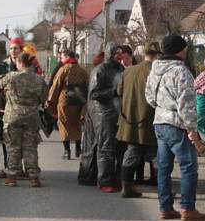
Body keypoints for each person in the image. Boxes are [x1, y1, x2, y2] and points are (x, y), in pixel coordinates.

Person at [145, 34, 205, 221]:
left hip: (159, 121)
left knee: (164, 167)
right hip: (177, 123)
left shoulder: (155, 69)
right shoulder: (181, 71)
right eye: (184, 48)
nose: (186, 51)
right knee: (189, 165)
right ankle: (188, 208)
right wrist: (192, 129)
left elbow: (149, 97)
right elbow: (187, 104)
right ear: (179, 50)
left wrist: (162, 106)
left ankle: (165, 207)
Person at [0, 52, 48, 187]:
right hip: (31, 117)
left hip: (13, 116)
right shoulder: (39, 79)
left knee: (13, 147)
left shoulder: (12, 77)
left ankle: (12, 177)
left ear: (19, 63)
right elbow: (44, 98)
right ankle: (34, 178)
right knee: (31, 147)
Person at [117, 41, 161, 198]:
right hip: (151, 119)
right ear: (158, 55)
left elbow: (119, 91)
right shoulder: (157, 72)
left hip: (129, 118)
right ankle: (163, 190)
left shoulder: (129, 71)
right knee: (157, 155)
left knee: (131, 153)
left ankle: (126, 187)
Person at [90, 44, 125, 193]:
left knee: (120, 148)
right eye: (116, 53)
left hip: (118, 113)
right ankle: (104, 180)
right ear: (109, 54)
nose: (120, 55)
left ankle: (117, 179)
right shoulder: (100, 70)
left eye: (121, 53)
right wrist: (114, 92)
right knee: (106, 147)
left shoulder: (121, 69)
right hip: (103, 114)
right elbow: (94, 94)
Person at [47, 50, 88, 160]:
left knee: (64, 124)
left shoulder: (63, 69)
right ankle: (78, 149)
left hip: (65, 100)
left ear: (66, 57)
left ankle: (67, 151)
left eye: (62, 57)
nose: (61, 60)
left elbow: (56, 86)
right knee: (77, 124)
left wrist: (50, 101)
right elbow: (87, 86)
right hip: (79, 100)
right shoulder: (83, 70)